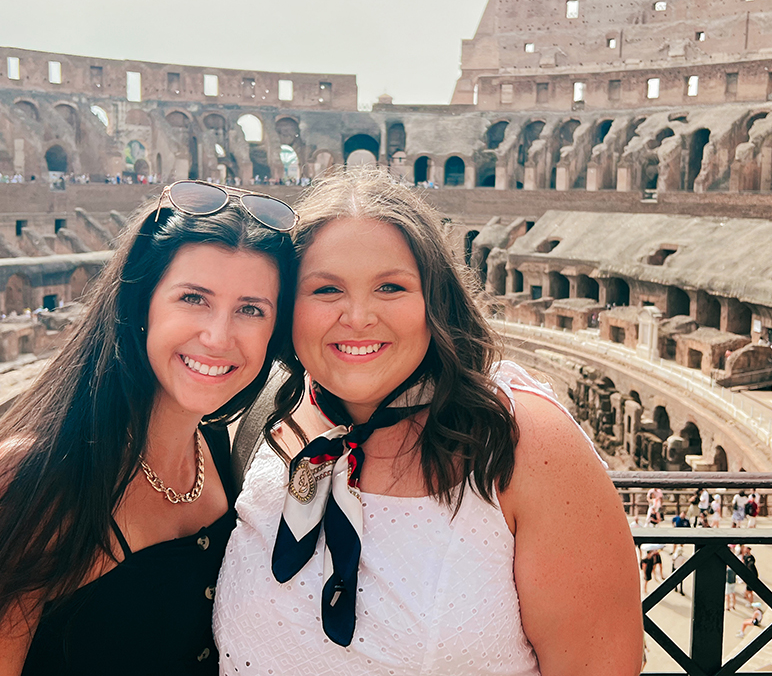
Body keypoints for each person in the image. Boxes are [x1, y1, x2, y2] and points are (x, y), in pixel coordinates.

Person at [214, 169, 643, 674]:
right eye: (326, 290)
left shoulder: (523, 439)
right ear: (290, 307)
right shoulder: (270, 419)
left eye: (390, 287)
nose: (357, 316)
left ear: (434, 300)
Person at [0, 181, 297, 674]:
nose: (218, 336)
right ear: (142, 305)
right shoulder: (24, 485)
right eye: (193, 298)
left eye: (251, 309)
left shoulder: (220, 452)